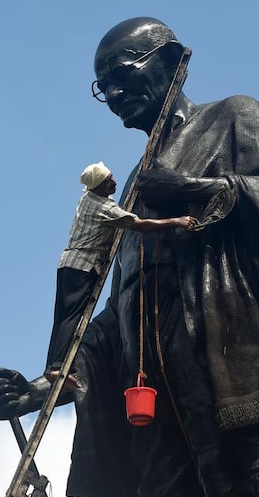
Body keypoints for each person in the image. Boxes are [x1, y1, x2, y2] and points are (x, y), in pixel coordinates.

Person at [0, 17, 259, 497]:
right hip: (148, 392)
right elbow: (118, 312)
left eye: (124, 73)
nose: (117, 92)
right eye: (105, 87)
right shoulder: (128, 191)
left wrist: (202, 189)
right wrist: (47, 386)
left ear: (172, 63)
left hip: (219, 364)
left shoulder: (232, 117)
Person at [44, 161, 196, 379]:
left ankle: (52, 365)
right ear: (97, 187)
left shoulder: (88, 199)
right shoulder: (103, 209)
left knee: (62, 317)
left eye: (112, 177)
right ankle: (58, 366)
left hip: (68, 264)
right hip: (84, 268)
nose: (113, 182)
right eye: (108, 182)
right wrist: (176, 221)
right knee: (73, 318)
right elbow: (140, 224)